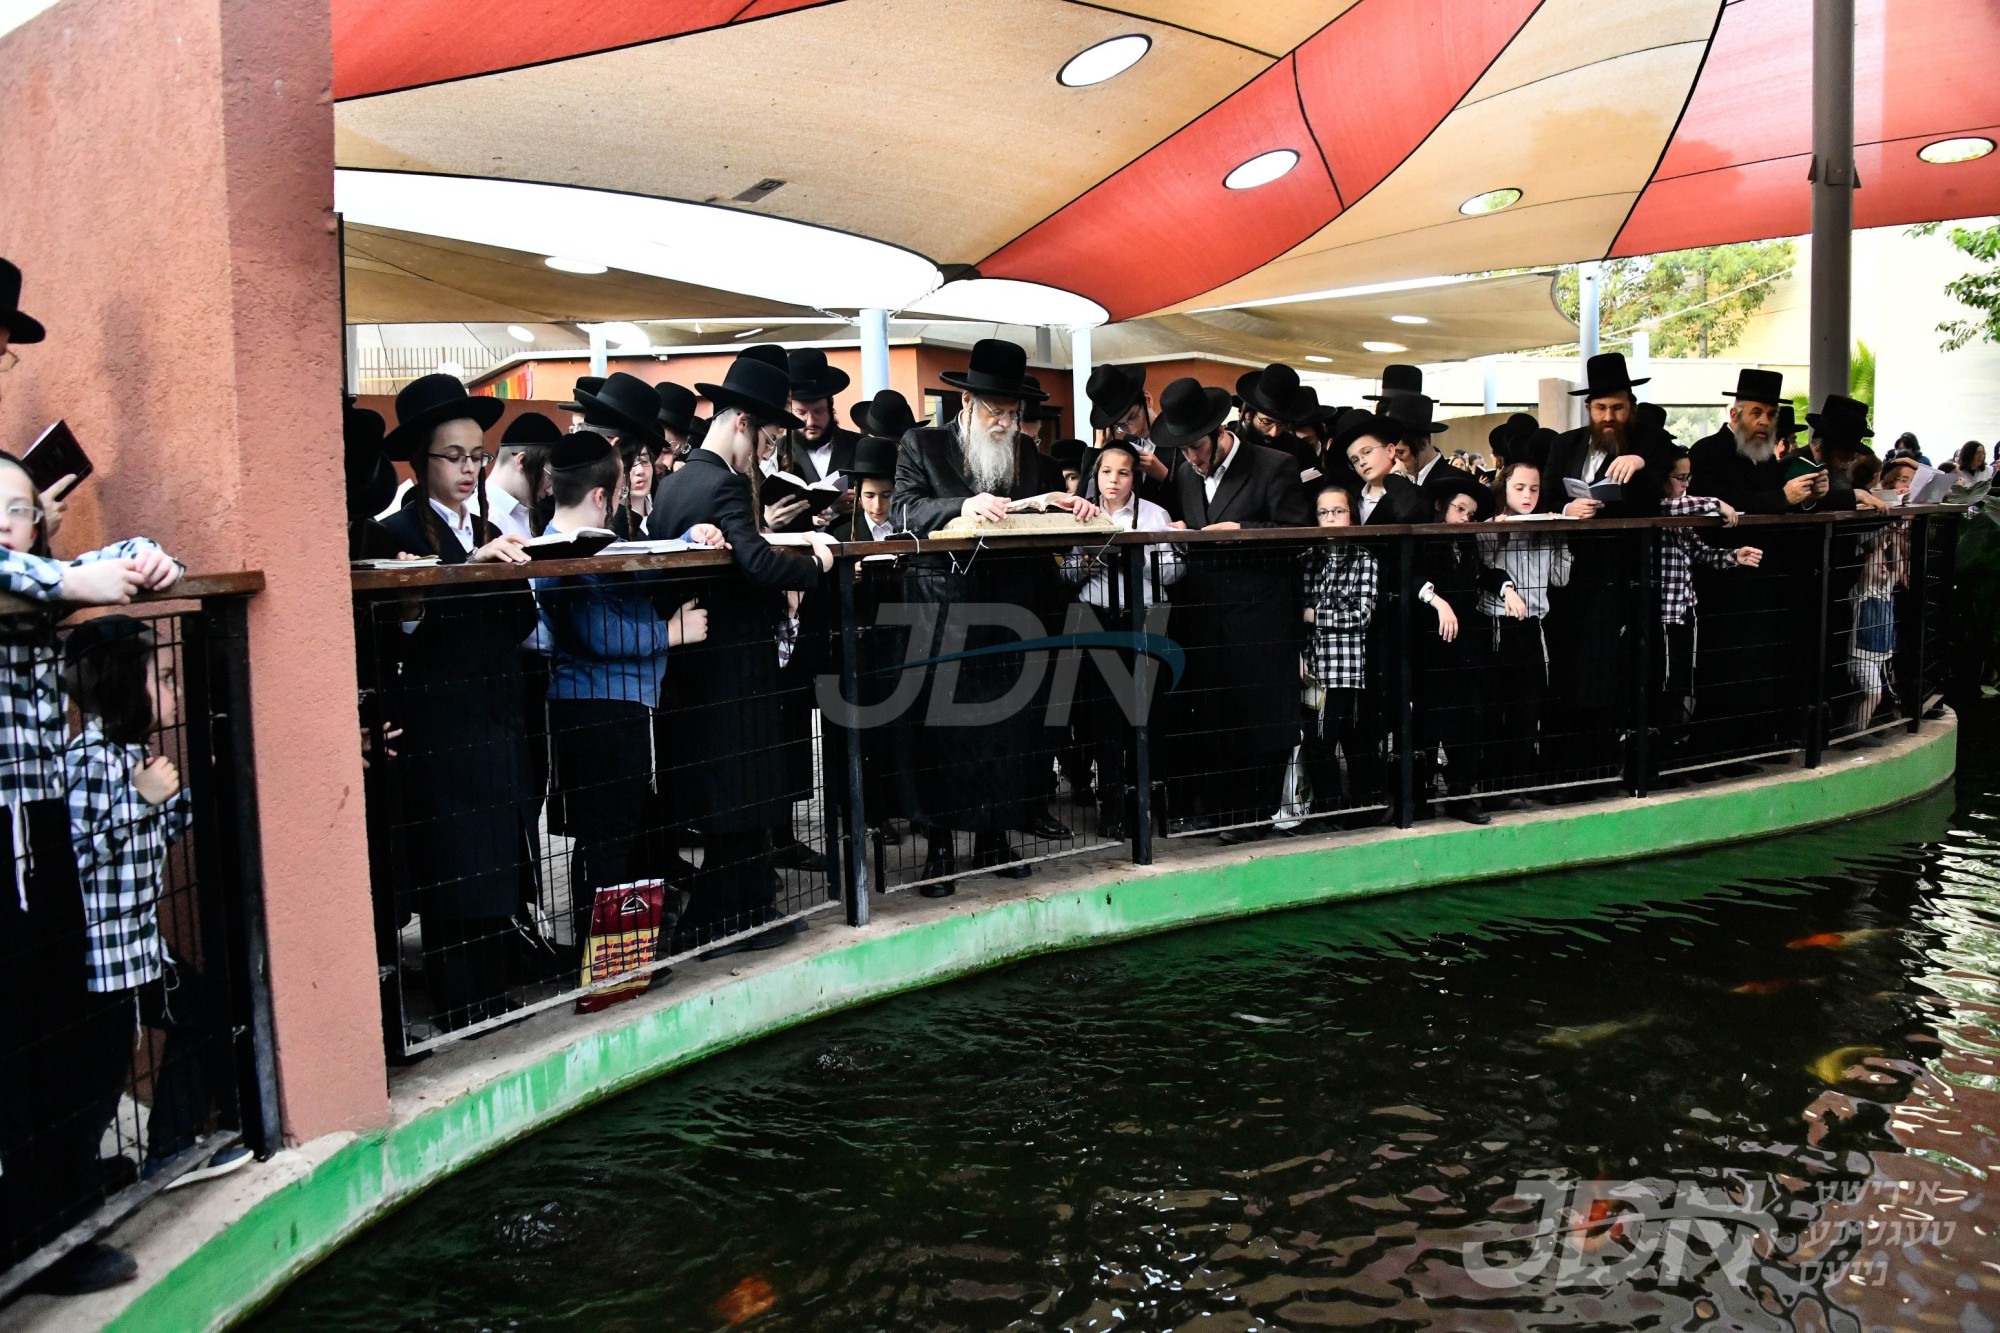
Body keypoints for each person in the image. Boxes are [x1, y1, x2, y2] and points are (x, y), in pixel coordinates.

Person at [0, 429, 186, 1291]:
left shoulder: (36, 581)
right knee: (43, 1037)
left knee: (59, 1035)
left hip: (30, 830)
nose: (9, 526)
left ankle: (51, 1221)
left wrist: (148, 565)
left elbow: (142, 551)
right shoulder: (38, 583)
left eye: (19, 511)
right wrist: (70, 579)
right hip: (12, 825)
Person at [891, 339, 1100, 885]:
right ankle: (939, 846)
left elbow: (1042, 517)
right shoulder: (923, 445)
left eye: (1013, 413)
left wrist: (1070, 507)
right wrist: (962, 505)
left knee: (1005, 730)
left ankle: (994, 839)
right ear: (967, 405)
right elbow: (903, 510)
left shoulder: (1030, 457)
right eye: (995, 411)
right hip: (942, 612)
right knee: (943, 730)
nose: (1005, 422)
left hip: (1010, 612)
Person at [648, 351, 834, 952]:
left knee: (738, 794)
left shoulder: (677, 482)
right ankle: (722, 922)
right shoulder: (725, 483)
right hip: (733, 663)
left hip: (695, 665)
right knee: (742, 791)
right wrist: (816, 565)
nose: (766, 452)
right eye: (768, 436)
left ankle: (748, 911)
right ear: (743, 424)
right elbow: (753, 562)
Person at [61, 617, 249, 1193]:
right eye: (163, 677)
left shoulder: (130, 757)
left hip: (139, 949)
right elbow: (70, 861)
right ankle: (64, 1194)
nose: (174, 690)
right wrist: (139, 804)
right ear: (123, 684)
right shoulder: (90, 762)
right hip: (102, 957)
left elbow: (156, 833)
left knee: (204, 1017)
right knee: (91, 1085)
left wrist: (201, 791)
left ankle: (166, 1153)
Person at [372, 374, 537, 1032]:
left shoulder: (490, 525)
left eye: (478, 456)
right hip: (439, 723)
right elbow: (394, 631)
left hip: (495, 711)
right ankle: (459, 998)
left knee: (498, 853)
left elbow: (520, 617)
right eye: (454, 456)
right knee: (452, 863)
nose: (470, 469)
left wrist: (503, 569)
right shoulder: (392, 533)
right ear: (422, 459)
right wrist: (465, 570)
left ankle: (494, 987)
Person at [536, 433, 707, 967]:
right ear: (602, 496)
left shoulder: (583, 540)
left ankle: (620, 958)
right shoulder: (564, 552)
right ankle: (613, 965)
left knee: (616, 835)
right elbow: (598, 634)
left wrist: (687, 539)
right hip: (599, 708)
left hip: (611, 705)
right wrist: (671, 633)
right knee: (609, 841)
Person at [1155, 377, 1311, 843]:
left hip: (1260, 617)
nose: (1190, 458)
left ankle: (1253, 814)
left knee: (1257, 717)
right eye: (1181, 450)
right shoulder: (1183, 474)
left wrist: (1242, 529)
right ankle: (1217, 809)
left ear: (1221, 431)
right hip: (1204, 617)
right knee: (1212, 716)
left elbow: (1298, 533)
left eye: (1196, 447)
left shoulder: (1275, 465)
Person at [1536, 353, 1675, 781]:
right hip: (1572, 579)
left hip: (1622, 577)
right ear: (1589, 409)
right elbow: (1541, 501)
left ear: (1630, 406)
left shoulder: (1647, 442)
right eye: (1601, 408)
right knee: (1570, 673)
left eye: (1617, 407)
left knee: (1615, 674)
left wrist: (1640, 462)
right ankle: (1568, 770)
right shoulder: (1566, 445)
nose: (1609, 416)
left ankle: (1611, 766)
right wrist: (1566, 506)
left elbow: (1655, 488)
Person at [1059, 438, 1182, 838]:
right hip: (1096, 620)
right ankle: (1111, 809)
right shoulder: (1081, 515)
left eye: (1123, 472)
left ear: (1135, 478)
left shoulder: (1154, 514)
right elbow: (1065, 576)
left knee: (1146, 716)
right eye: (1106, 471)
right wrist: (1086, 565)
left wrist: (1138, 553)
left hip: (1146, 620)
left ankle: (1147, 808)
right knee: (1103, 720)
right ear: (1096, 475)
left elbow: (1174, 575)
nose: (1114, 480)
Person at [1417, 469, 1513, 824]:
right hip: (1430, 646)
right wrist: (1437, 601)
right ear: (1442, 506)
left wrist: (1506, 587)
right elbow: (1411, 576)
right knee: (1428, 723)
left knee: (1469, 721)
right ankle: (1420, 797)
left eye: (1471, 514)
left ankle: (1461, 796)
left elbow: (1484, 573)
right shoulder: (1425, 538)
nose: (1465, 518)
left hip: (1466, 646)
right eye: (1460, 510)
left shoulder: (1468, 542)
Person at [1655, 448, 1761, 770]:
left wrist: (1733, 556)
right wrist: (1717, 503)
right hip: (1663, 617)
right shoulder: (1662, 506)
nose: (1686, 484)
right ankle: (1661, 759)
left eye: (1689, 477)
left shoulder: (1683, 515)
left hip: (1686, 611)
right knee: (1666, 688)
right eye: (1680, 478)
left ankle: (1674, 754)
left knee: (1682, 685)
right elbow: (1674, 505)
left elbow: (1700, 553)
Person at [1479, 461, 1570, 799]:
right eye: (1519, 488)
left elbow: (1561, 579)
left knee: (1528, 709)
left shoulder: (1545, 527)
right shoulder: (1489, 527)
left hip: (1533, 625)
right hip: (1498, 625)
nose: (1528, 495)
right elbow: (1482, 573)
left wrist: (1561, 537)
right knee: (1496, 708)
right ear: (1504, 487)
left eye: (1533, 488)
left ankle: (1517, 782)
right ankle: (1493, 784)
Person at [1300, 484, 1379, 817]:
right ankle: (1330, 809)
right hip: (1312, 668)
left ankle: (1353, 810)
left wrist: (1314, 615)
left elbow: (1360, 615)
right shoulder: (1306, 559)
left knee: (1345, 741)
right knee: (1317, 743)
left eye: (1338, 511)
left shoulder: (1364, 559)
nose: (1331, 518)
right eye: (1324, 512)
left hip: (1346, 667)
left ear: (1352, 514)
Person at [1085, 362, 1176, 517]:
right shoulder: (1126, 443)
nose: (1131, 429)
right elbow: (1086, 497)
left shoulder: (1178, 438)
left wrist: (1164, 475)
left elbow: (1195, 497)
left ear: (1147, 400)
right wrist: (1099, 448)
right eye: (1120, 425)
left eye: (1133, 417)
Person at [1383, 393, 1449, 484]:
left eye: (1400, 453)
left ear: (1423, 444)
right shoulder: (1402, 475)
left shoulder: (1454, 481)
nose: (1395, 460)